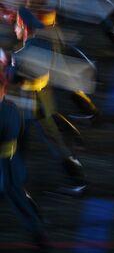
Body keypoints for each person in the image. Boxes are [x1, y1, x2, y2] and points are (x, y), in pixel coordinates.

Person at [3, 7, 87, 196]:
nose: (14, 29)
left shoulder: (23, 54)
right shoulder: (40, 43)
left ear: (24, 26)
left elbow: (12, 76)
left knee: (53, 143)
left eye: (16, 25)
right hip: (44, 98)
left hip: (33, 105)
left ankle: (78, 180)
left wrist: (9, 64)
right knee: (47, 133)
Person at [0, 73, 50, 250]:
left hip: (5, 169)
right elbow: (23, 137)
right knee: (20, 195)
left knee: (19, 201)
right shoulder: (12, 109)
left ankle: (38, 231)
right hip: (14, 162)